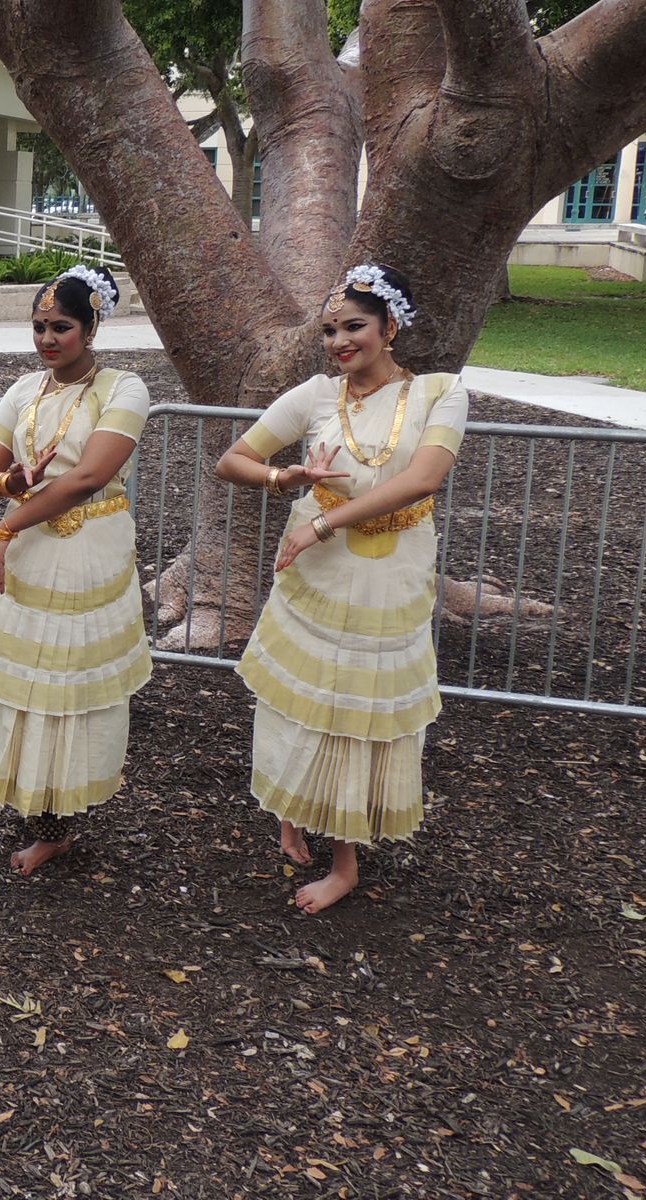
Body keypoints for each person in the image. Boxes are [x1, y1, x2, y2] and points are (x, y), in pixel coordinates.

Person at [214, 264, 468, 915]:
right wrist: (288, 478)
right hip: (315, 576)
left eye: (353, 326)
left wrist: (323, 521)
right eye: (329, 330)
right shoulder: (316, 395)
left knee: (358, 714)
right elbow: (232, 459)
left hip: (389, 578)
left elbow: (422, 481)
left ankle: (345, 864)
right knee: (302, 702)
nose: (338, 341)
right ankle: (292, 809)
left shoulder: (442, 393)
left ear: (390, 327)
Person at [0, 265, 150, 874]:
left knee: (72, 685)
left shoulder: (124, 389)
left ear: (92, 327)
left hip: (88, 549)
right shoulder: (23, 391)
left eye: (61, 326)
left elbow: (90, 477)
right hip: (29, 556)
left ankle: (64, 820)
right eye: (39, 326)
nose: (47, 338)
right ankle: (40, 813)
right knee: (27, 683)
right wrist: (7, 482)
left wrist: (8, 521)